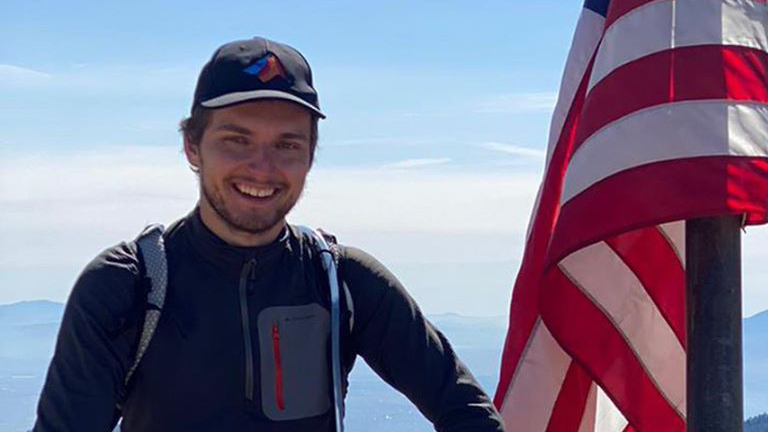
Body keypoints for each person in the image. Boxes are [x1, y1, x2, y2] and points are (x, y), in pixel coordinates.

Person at [33, 36, 504, 432]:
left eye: (287, 145)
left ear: (311, 156)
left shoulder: (342, 282)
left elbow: (466, 412)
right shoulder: (127, 285)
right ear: (192, 146)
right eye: (237, 140)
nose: (263, 168)